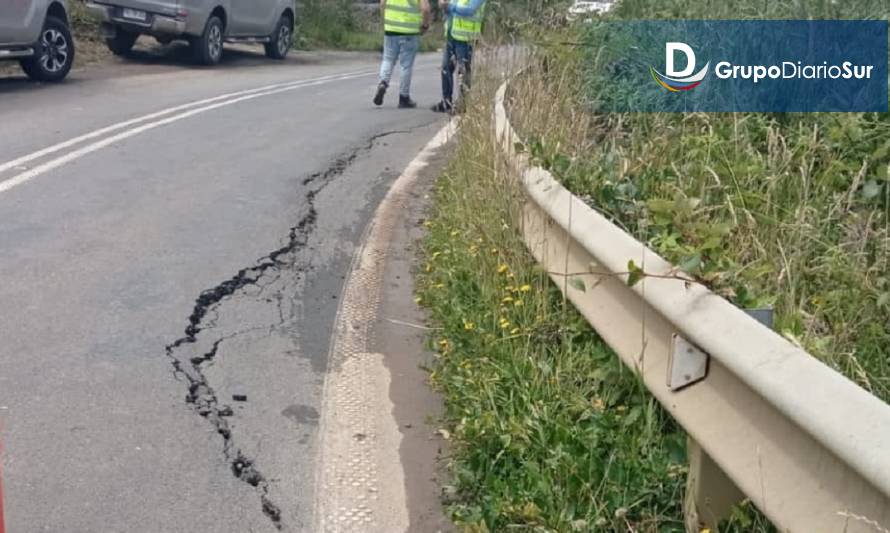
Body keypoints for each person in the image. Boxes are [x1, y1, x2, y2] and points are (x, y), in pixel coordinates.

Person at [431, 0, 487, 113]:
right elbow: (448, 9)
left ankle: (462, 104)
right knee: (446, 68)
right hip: (452, 35)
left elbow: (470, 10)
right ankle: (446, 102)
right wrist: (443, 6)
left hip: (466, 38)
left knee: (464, 71)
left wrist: (449, 6)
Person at [374, 0, 431, 109]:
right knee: (406, 65)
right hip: (409, 31)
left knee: (388, 59)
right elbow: (425, 9)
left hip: (390, 29)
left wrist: (385, 21)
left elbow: (382, 4)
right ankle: (404, 98)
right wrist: (425, 25)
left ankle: (383, 82)